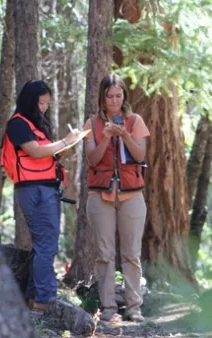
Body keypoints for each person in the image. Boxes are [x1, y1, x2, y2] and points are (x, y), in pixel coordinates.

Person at [1, 79, 80, 312]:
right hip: (34, 191)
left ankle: (34, 298)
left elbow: (47, 157)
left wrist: (68, 145)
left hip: (46, 189)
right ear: (30, 100)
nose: (44, 107)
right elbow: (34, 152)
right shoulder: (18, 124)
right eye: (41, 102)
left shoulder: (38, 125)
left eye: (47, 103)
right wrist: (65, 141)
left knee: (43, 245)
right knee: (46, 245)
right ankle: (45, 302)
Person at [84, 75, 149, 323]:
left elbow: (140, 153)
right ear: (102, 97)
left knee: (132, 253)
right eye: (109, 96)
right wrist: (108, 136)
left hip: (132, 195)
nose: (114, 101)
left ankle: (134, 307)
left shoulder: (136, 121)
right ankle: (108, 307)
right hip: (100, 195)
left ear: (124, 96)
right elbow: (93, 159)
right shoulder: (91, 123)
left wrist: (125, 135)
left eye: (118, 96)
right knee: (105, 253)